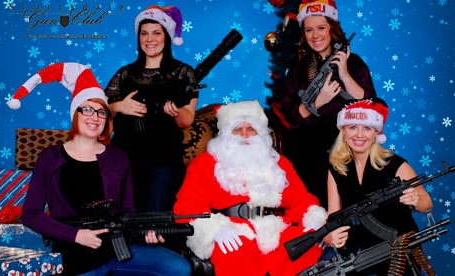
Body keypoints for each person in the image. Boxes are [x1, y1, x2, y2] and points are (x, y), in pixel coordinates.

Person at [9, 62, 191, 276]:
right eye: (87, 109)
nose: (94, 117)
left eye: (101, 112)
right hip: (74, 255)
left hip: (118, 251)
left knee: (179, 268)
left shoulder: (118, 157)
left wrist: (145, 235)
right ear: (75, 113)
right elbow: (31, 215)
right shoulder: (49, 158)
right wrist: (76, 235)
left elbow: (128, 213)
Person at [174, 100, 328, 276]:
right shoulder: (204, 164)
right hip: (234, 231)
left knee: (307, 245)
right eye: (237, 129)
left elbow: (301, 199)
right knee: (233, 254)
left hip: (277, 231)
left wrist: (314, 221)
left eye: (251, 129)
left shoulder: (279, 163)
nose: (245, 135)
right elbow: (187, 208)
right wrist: (214, 229)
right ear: (225, 134)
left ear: (261, 133)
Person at [279, 0, 377, 209]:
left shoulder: (354, 63)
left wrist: (344, 73)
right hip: (306, 156)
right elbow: (288, 115)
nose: (315, 36)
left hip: (347, 151)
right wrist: (318, 101)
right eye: (309, 30)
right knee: (312, 212)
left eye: (321, 28)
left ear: (332, 28)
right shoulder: (298, 70)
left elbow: (370, 103)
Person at [323, 98, 433, 275]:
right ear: (343, 131)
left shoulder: (395, 164)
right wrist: (328, 236)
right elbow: (332, 215)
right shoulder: (337, 168)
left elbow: (427, 203)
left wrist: (416, 199)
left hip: (398, 250)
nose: (359, 135)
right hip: (359, 254)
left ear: (376, 132)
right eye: (352, 127)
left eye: (366, 128)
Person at [104, 5, 199, 212]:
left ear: (167, 36)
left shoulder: (183, 73)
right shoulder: (125, 74)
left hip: (163, 160)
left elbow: (186, 120)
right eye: (144, 33)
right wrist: (120, 106)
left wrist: (175, 111)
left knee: (154, 222)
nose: (150, 39)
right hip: (122, 160)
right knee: (121, 221)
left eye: (156, 33)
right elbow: (99, 114)